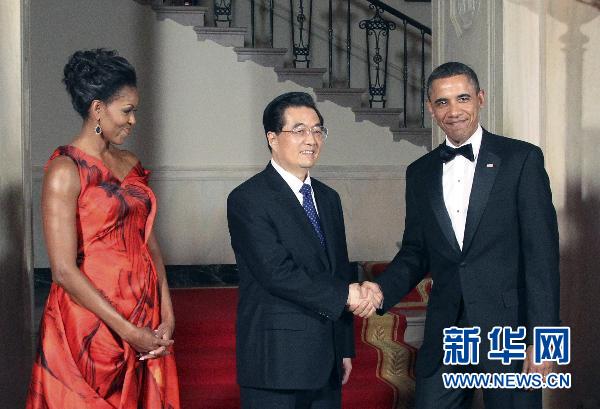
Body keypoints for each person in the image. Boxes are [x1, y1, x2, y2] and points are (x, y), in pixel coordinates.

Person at [355, 62, 560, 409]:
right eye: (442, 102)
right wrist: (380, 290)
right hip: (447, 328)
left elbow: (541, 256)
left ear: (480, 99)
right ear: (431, 110)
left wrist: (544, 342)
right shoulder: (419, 172)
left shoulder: (521, 159)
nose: (454, 111)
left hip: (510, 330)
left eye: (462, 98)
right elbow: (416, 251)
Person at [26, 49, 180, 409]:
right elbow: (63, 270)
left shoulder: (131, 163)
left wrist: (167, 309)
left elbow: (149, 242)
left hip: (145, 312)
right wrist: (127, 332)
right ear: (97, 109)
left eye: (135, 110)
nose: (133, 120)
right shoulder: (65, 170)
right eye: (126, 110)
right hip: (91, 323)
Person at [227, 92, 375, 409]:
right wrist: (347, 296)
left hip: (327, 359)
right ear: (272, 137)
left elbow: (339, 270)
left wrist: (344, 346)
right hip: (277, 360)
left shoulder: (329, 198)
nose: (311, 139)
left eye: (317, 130)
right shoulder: (248, 198)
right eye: (299, 130)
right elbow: (276, 273)